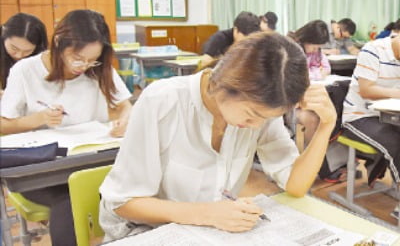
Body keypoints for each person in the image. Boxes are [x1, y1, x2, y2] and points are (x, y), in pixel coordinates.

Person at [99, 32, 337, 242]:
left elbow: (295, 185)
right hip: (145, 231)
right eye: (252, 114)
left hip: (207, 232)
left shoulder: (261, 111)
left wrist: (327, 125)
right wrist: (208, 213)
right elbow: (123, 203)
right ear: (227, 84)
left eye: (266, 118)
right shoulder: (163, 101)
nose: (256, 125)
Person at [0, 10, 132, 245]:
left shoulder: (97, 69)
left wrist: (125, 120)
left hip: (90, 161)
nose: (84, 66)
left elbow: (125, 106)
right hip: (44, 171)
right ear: (59, 41)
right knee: (70, 199)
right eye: (78, 58)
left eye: (92, 59)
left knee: (131, 190)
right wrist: (38, 119)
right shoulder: (26, 70)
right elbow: (3, 124)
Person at [341, 35, 400, 193]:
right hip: (359, 116)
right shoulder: (373, 50)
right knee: (395, 141)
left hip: (388, 115)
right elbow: (366, 90)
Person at [0, 13, 48, 96]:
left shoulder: (42, 58)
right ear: (3, 34)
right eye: (14, 48)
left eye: (27, 51)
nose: (19, 55)